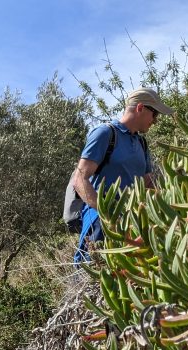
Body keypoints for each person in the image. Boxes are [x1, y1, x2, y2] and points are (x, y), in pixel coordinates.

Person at [71, 87, 173, 262]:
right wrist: (108, 215)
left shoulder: (141, 142)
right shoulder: (105, 134)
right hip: (100, 221)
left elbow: (148, 183)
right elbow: (80, 179)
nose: (155, 120)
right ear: (140, 107)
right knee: (92, 272)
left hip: (132, 221)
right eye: (154, 114)